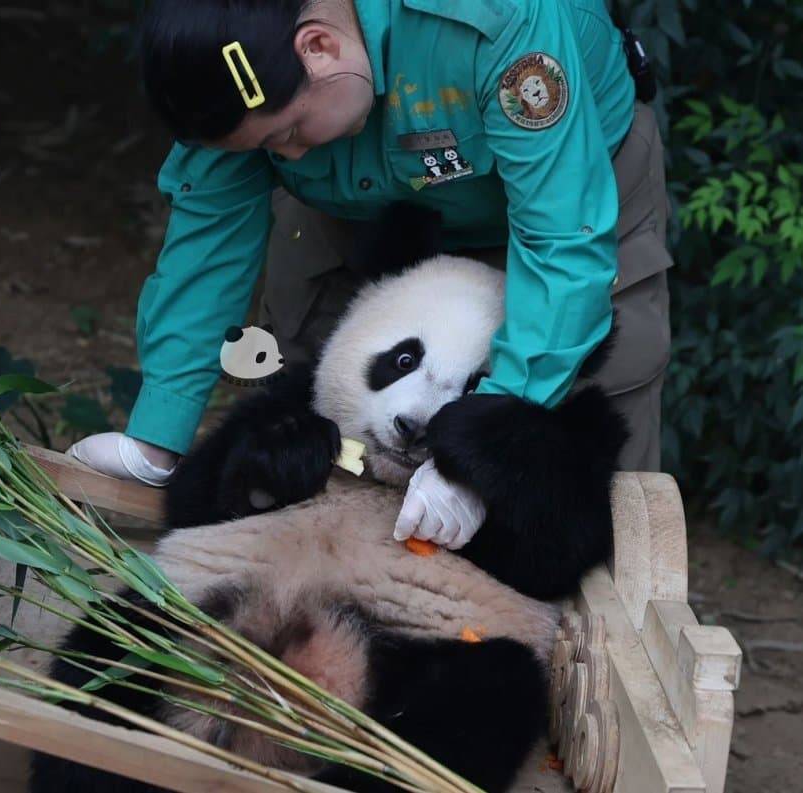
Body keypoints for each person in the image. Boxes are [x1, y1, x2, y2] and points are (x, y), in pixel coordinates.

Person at [70, 0, 673, 548]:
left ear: (319, 47)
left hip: (571, 189)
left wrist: (489, 447)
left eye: (286, 133)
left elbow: (564, 241)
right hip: (368, 206)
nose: (290, 156)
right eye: (265, 147)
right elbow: (208, 243)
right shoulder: (236, 63)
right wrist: (160, 429)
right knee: (297, 416)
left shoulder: (497, 20)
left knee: (582, 458)